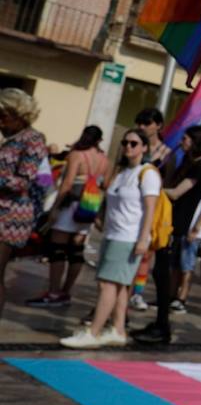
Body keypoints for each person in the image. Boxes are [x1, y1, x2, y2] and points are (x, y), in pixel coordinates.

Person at [59, 130, 160, 349]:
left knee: (108, 284)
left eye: (134, 143)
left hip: (129, 237)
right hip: (112, 234)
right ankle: (118, 329)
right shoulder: (122, 172)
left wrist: (144, 239)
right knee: (120, 286)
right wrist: (101, 219)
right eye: (125, 142)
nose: (128, 147)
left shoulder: (148, 173)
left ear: (144, 147)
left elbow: (151, 209)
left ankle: (93, 332)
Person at [133, 125, 201, 344]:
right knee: (161, 272)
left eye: (187, 138)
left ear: (197, 141)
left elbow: (178, 192)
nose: (183, 141)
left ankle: (163, 326)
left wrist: (152, 189)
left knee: (165, 272)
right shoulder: (189, 163)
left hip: (177, 224)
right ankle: (161, 322)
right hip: (169, 220)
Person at [28, 125, 109, 307]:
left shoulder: (77, 155)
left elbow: (67, 183)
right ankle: (66, 291)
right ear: (99, 140)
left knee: (57, 248)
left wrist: (55, 209)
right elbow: (106, 185)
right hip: (89, 206)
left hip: (70, 205)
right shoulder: (104, 159)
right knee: (76, 251)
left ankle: (54, 292)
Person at [0, 89, 47, 320]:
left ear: (18, 115)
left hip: (11, 216)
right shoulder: (11, 139)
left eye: (3, 117)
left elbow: (24, 181)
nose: (0, 122)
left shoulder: (33, 139)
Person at [126, 107, 170, 312]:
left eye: (147, 123)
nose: (142, 127)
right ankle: (123, 288)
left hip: (152, 206)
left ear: (158, 126)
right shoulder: (132, 145)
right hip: (129, 206)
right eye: (139, 123)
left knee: (146, 255)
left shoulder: (167, 152)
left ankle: (137, 293)